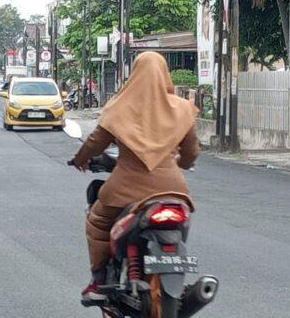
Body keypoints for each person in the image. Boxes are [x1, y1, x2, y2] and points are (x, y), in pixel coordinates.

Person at [69, 52, 200, 303]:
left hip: (126, 188)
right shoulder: (182, 108)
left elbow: (96, 142)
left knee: (97, 221)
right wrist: (181, 163)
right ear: (165, 75)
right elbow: (191, 151)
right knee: (182, 220)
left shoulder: (119, 107)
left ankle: (98, 280)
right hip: (173, 188)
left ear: (135, 74)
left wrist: (80, 159)